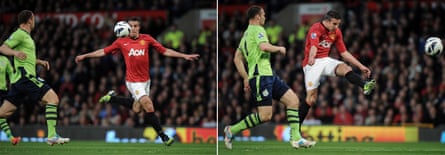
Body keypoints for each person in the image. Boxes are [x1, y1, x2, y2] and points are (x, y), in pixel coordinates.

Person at [75, 17, 199, 146]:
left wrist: (184, 55)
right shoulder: (121, 41)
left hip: (146, 81)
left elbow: (165, 50)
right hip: (133, 81)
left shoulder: (147, 39)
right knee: (148, 104)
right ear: (127, 28)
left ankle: (112, 98)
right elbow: (103, 51)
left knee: (137, 109)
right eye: (131, 26)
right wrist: (85, 55)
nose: (133, 28)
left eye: (135, 26)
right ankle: (163, 136)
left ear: (139, 28)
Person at [224, 5, 316, 150]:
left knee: (293, 101)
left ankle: (296, 138)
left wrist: (245, 77)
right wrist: (279, 48)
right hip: (261, 77)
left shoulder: (246, 35)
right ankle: (231, 130)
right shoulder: (258, 30)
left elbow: (237, 58)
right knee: (265, 116)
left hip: (268, 75)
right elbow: (264, 47)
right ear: (257, 17)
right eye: (264, 15)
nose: (265, 17)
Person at [0, 10, 70, 146]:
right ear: (30, 20)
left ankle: (52, 135)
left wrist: (39, 62)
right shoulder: (19, 34)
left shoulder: (26, 37)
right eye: (34, 18)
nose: (35, 21)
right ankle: (51, 135)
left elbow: (26, 57)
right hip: (25, 78)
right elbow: (3, 48)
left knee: (3, 113)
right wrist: (14, 52)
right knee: (53, 99)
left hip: (18, 82)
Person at [298, 10, 376, 130]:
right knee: (311, 99)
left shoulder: (337, 32)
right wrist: (312, 57)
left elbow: (344, 53)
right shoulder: (316, 28)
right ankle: (295, 128)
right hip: (312, 64)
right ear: (327, 21)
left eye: (338, 24)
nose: (337, 27)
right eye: (334, 24)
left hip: (325, 60)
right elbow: (314, 45)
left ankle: (364, 85)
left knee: (345, 68)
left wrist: (361, 66)